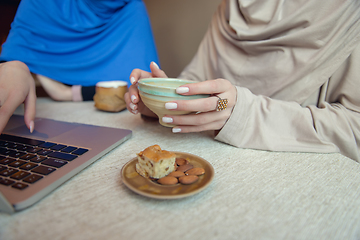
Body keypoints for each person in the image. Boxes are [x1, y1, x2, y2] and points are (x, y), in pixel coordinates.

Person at [125, 0, 360, 161]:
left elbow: (354, 129)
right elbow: (199, 82)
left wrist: (245, 115)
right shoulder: (233, 6)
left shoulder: (350, 14)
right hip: (211, 161)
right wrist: (166, 99)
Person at [0, 0, 159, 133]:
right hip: (46, 119)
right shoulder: (40, 3)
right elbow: (10, 67)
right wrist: (16, 65)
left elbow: (140, 89)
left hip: (105, 123)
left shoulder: (131, 8)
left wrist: (67, 93)